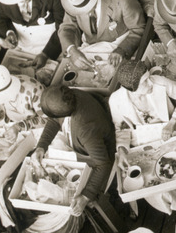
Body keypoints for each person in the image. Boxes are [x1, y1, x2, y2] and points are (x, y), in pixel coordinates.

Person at [109, 60, 176, 233]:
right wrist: (122, 149)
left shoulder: (159, 82)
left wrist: (173, 121)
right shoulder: (115, 100)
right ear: (131, 89)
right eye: (144, 82)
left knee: (172, 173)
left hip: (170, 134)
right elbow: (121, 128)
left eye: (148, 77)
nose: (150, 83)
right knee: (148, 179)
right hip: (142, 141)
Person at [33, 85, 116, 216]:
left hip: (103, 158)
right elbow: (55, 120)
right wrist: (41, 146)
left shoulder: (85, 129)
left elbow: (103, 164)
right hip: (87, 146)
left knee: (72, 200)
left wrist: (86, 196)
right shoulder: (70, 94)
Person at [58, 0, 145, 70]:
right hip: (89, 46)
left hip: (118, 43)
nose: (84, 12)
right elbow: (67, 28)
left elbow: (139, 29)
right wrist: (72, 50)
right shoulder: (73, 2)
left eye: (87, 7)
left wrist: (122, 49)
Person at [0, 0, 65, 69]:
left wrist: (46, 54)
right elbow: (2, 18)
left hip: (52, 47)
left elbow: (63, 27)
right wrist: (9, 33)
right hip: (22, 48)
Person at [0, 65, 48, 138]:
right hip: (14, 126)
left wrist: (19, 127)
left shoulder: (33, 90)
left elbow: (48, 120)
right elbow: (1, 110)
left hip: (37, 130)